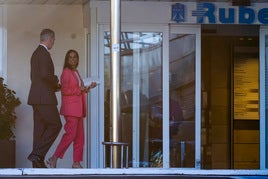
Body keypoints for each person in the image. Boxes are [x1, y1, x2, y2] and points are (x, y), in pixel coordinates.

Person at [47, 49, 97, 168]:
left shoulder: (76, 72)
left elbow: (79, 89)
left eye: (75, 57)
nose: (73, 59)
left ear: (78, 59)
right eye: (70, 57)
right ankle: (54, 158)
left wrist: (88, 87)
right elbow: (65, 90)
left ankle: (76, 162)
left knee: (80, 137)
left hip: (78, 109)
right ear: (67, 59)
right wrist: (79, 89)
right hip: (71, 109)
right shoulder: (66, 72)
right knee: (70, 135)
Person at [27, 28, 62, 168]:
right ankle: (36, 155)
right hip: (44, 99)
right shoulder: (43, 53)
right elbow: (44, 75)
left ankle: (37, 163)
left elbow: (38, 78)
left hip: (37, 97)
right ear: (49, 39)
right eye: (53, 40)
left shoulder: (36, 53)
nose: (53, 42)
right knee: (55, 125)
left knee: (39, 130)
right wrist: (55, 80)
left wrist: (54, 87)